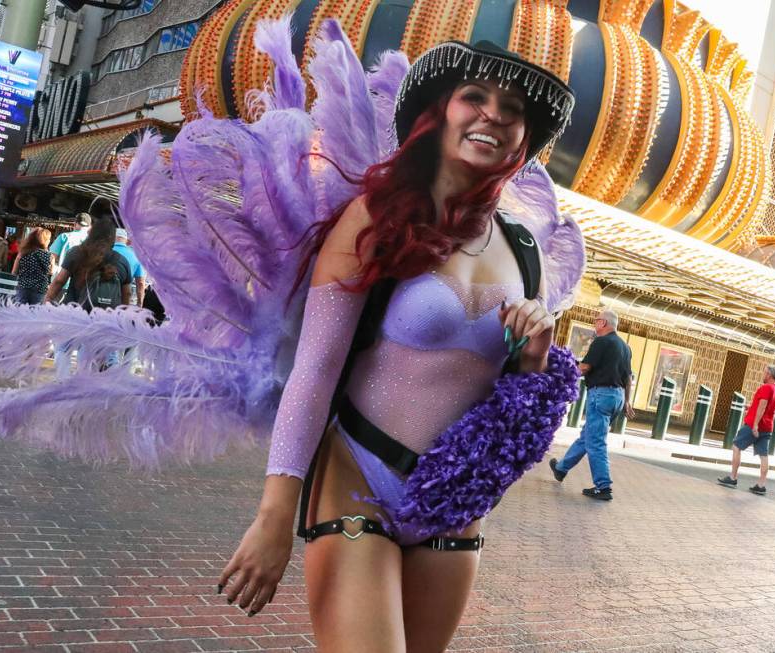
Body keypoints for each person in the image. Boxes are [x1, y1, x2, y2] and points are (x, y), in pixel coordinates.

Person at [216, 38, 578, 652]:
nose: (494, 114)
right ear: (439, 112)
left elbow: (515, 404)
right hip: (358, 474)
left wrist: (537, 352)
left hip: (453, 502)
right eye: (474, 97)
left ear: (524, 140)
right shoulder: (372, 219)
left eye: (513, 109)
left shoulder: (525, 252)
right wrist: (275, 515)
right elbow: (315, 373)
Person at [548, 308, 633, 500]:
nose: (595, 324)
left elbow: (585, 367)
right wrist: (627, 401)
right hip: (617, 397)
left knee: (595, 442)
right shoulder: (625, 347)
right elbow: (628, 378)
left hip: (601, 396)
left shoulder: (601, 341)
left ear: (603, 323)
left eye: (596, 320)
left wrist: (562, 377)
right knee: (587, 436)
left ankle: (603, 487)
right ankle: (561, 469)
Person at [718, 364, 775, 495]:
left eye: (764, 372)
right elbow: (766, 408)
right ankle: (761, 485)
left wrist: (755, 425)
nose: (762, 375)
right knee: (764, 456)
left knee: (736, 446)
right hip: (767, 427)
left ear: (769, 375)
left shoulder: (766, 387)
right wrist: (750, 407)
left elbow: (763, 406)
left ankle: (732, 478)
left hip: (754, 425)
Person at [45, 217, 131, 310]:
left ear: (92, 234)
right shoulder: (122, 261)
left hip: (75, 312)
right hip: (106, 318)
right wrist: (122, 314)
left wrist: (48, 300)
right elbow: (126, 293)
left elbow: (59, 281)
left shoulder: (76, 253)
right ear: (112, 238)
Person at [48, 212, 92, 297]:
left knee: (54, 308)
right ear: (89, 227)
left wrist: (52, 273)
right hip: (83, 285)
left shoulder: (64, 237)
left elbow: (52, 258)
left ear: (75, 224)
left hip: (61, 282)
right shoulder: (92, 242)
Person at [12, 228, 53, 304]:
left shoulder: (22, 253)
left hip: (23, 287)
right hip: (40, 289)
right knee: (34, 314)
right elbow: (50, 274)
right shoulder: (49, 256)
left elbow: (14, 272)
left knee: (19, 312)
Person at [112, 228, 146, 306]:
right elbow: (140, 283)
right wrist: (140, 304)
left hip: (104, 297)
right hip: (126, 298)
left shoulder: (103, 252)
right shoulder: (136, 256)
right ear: (126, 241)